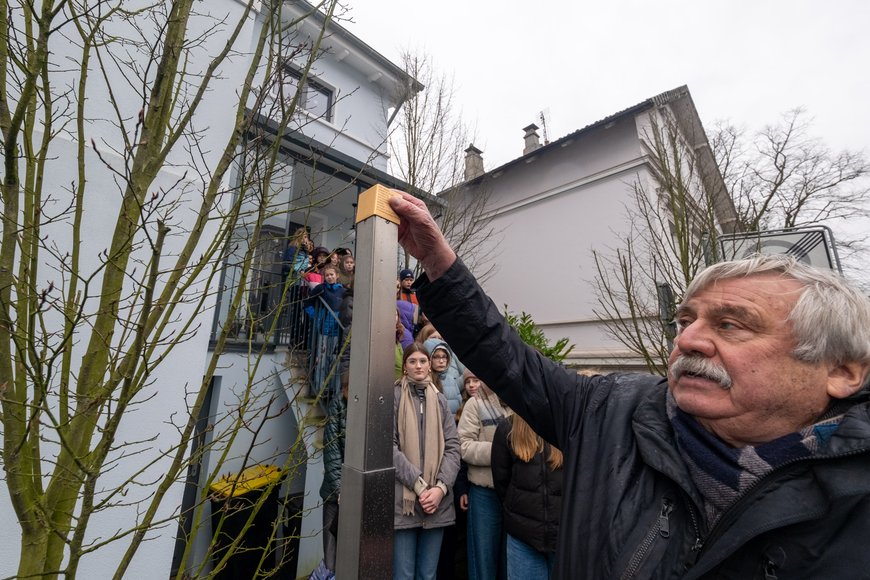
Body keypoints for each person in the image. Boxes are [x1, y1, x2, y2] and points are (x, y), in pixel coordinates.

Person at [388, 191, 870, 579]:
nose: (689, 339)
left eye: (731, 325)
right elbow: (506, 357)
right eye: (685, 320)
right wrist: (438, 263)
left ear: (843, 370)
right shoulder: (613, 411)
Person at [394, 343, 461, 580]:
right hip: (405, 502)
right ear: (405, 367)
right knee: (403, 574)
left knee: (428, 575)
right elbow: (390, 448)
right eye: (412, 361)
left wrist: (440, 489)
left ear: (429, 366)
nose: (418, 366)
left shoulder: (440, 400)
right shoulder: (395, 397)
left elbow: (453, 447)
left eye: (422, 361)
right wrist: (420, 486)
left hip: (437, 502)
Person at [491, 413, 563, 580]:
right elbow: (501, 481)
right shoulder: (508, 428)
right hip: (523, 538)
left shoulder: (569, 425)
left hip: (564, 537)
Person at [457, 372, 510, 580]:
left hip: (516, 493)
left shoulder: (520, 401)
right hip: (484, 493)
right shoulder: (476, 403)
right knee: (483, 563)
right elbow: (463, 446)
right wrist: (500, 450)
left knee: (510, 562)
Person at [317, 372, 349, 579]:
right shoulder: (337, 405)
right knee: (331, 552)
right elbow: (332, 452)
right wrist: (340, 490)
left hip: (357, 490)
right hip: (334, 494)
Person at [423, 338, 465, 415]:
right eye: (436, 357)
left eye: (444, 357)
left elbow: (459, 404)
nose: (441, 361)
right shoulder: (423, 381)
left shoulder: (451, 380)